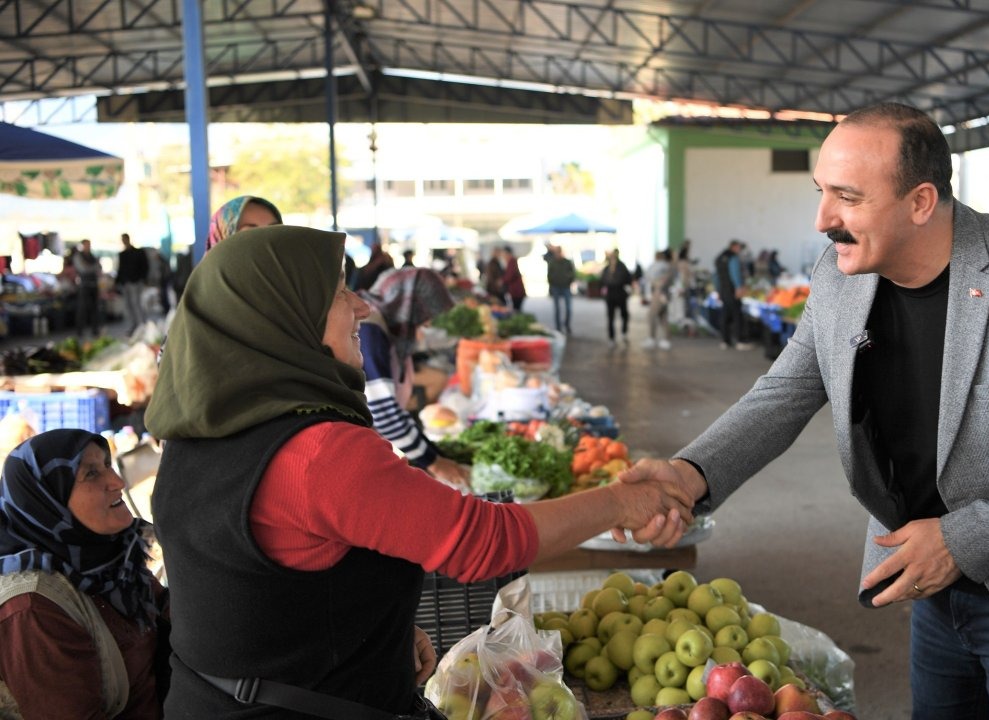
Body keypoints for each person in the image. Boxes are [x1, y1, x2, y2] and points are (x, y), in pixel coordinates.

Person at [618, 102, 989, 718]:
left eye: (848, 197)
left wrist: (960, 540)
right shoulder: (840, 273)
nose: (823, 219)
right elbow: (789, 388)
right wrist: (690, 474)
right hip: (932, 587)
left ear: (921, 202)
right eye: (822, 191)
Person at [143, 225, 687, 719]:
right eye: (337, 294)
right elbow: (486, 542)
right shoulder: (318, 452)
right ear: (285, 316)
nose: (360, 306)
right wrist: (618, 502)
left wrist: (373, 633)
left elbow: (252, 585)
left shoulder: (194, 432)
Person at [0, 429, 169, 719]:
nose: (117, 482)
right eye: (91, 474)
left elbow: (170, 611)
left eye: (107, 465)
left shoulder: (109, 559)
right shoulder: (33, 608)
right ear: (47, 501)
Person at [359, 268, 470, 486]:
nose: (427, 324)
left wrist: (435, 453)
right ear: (409, 306)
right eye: (425, 316)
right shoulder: (369, 330)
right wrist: (434, 462)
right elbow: (384, 414)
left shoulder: (382, 324)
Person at [205, 195, 284, 252]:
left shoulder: (290, 271)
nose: (267, 240)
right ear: (221, 237)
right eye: (251, 233)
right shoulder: (212, 274)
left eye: (274, 230)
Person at [714, 239, 750, 350]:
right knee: (737, 315)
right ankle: (740, 341)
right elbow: (735, 273)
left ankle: (725, 341)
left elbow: (716, 276)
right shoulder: (733, 257)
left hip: (723, 291)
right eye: (739, 247)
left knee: (725, 315)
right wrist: (739, 287)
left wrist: (718, 290)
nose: (740, 250)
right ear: (734, 247)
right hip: (732, 290)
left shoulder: (720, 258)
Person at [116, 232, 150, 335]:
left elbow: (145, 266)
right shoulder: (122, 254)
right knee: (128, 304)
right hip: (126, 282)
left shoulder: (138, 252)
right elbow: (120, 269)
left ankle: (142, 325)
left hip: (136, 281)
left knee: (136, 303)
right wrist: (117, 282)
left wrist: (143, 278)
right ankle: (134, 325)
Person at [600, 249, 634, 347]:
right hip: (610, 296)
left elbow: (628, 279)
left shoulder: (622, 266)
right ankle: (611, 337)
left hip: (620, 295)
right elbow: (602, 281)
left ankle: (624, 332)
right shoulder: (606, 269)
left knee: (624, 315)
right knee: (610, 317)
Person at [643, 249, 674, 350]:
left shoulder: (659, 266)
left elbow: (650, 278)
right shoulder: (667, 266)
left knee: (652, 315)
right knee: (663, 316)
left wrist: (659, 291)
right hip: (662, 293)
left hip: (659, 293)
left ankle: (652, 338)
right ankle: (666, 339)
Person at [71, 239, 102, 337]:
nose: (88, 246)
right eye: (86, 245)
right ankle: (80, 330)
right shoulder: (78, 256)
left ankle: (95, 330)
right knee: (82, 309)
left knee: (94, 308)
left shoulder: (92, 256)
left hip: (93, 284)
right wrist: (93, 267)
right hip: (84, 285)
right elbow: (83, 269)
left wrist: (91, 266)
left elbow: (98, 268)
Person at [545, 243, 576, 334]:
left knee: (568, 308)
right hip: (556, 287)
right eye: (556, 252)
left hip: (565, 287)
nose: (557, 254)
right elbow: (549, 274)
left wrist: (568, 281)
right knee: (557, 308)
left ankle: (567, 325)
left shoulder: (567, 262)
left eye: (559, 252)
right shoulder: (552, 262)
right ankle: (558, 327)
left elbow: (572, 274)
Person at [501, 246, 526, 312]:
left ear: (507, 254)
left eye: (504, 254)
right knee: (516, 309)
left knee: (516, 310)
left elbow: (509, 276)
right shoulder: (511, 261)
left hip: (516, 291)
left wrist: (502, 280)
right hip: (516, 291)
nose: (503, 256)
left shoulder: (512, 261)